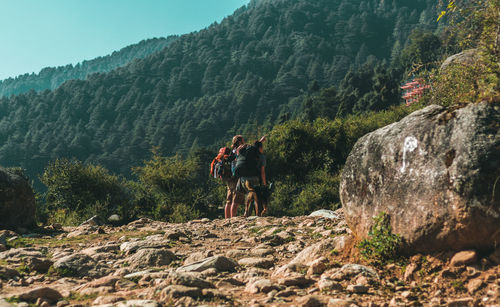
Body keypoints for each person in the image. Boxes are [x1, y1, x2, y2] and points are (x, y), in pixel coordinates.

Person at [238, 137, 267, 217]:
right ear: (260, 148)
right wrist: (264, 183)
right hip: (254, 178)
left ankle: (247, 213)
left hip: (243, 179)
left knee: (249, 193)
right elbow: (262, 172)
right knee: (256, 196)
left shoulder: (245, 153)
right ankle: (256, 214)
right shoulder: (261, 157)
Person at [224, 135, 245, 219]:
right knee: (235, 200)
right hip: (237, 177)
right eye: (243, 141)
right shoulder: (239, 150)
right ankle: (233, 219)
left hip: (229, 177)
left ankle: (227, 219)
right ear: (239, 142)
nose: (244, 142)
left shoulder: (231, 151)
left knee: (228, 200)